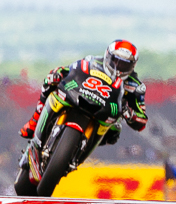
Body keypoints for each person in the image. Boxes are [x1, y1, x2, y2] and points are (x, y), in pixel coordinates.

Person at [19, 39, 148, 145]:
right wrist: (60, 73)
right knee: (50, 80)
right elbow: (71, 70)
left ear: (132, 66)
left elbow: (142, 119)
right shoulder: (92, 61)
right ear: (108, 56)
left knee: (114, 134)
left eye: (124, 65)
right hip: (81, 96)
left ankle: (79, 151)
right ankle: (34, 121)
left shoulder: (135, 86)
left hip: (107, 114)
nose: (118, 67)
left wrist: (131, 115)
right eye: (115, 61)